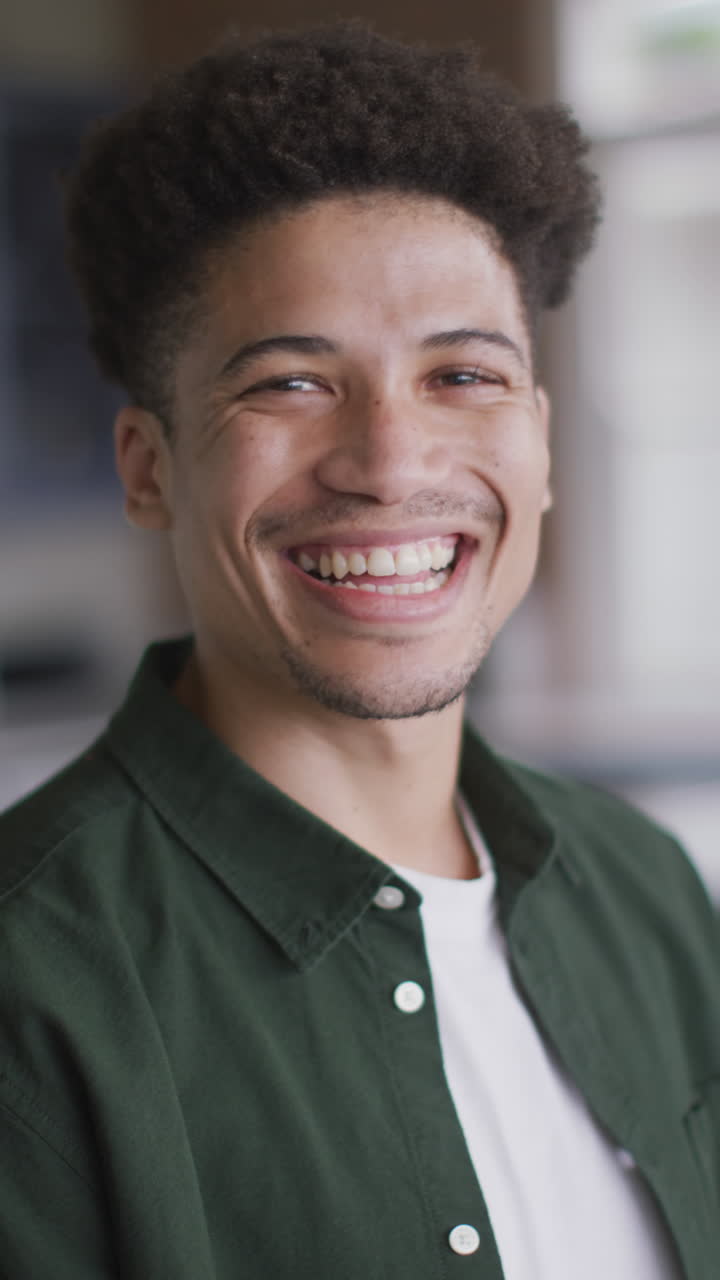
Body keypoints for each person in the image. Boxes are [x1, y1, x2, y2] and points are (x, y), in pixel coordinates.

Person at [0, 19, 717, 1279]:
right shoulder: (31, 979)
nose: (391, 463)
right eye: (288, 383)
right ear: (150, 467)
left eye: (462, 375)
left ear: (540, 443)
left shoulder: (645, 885)